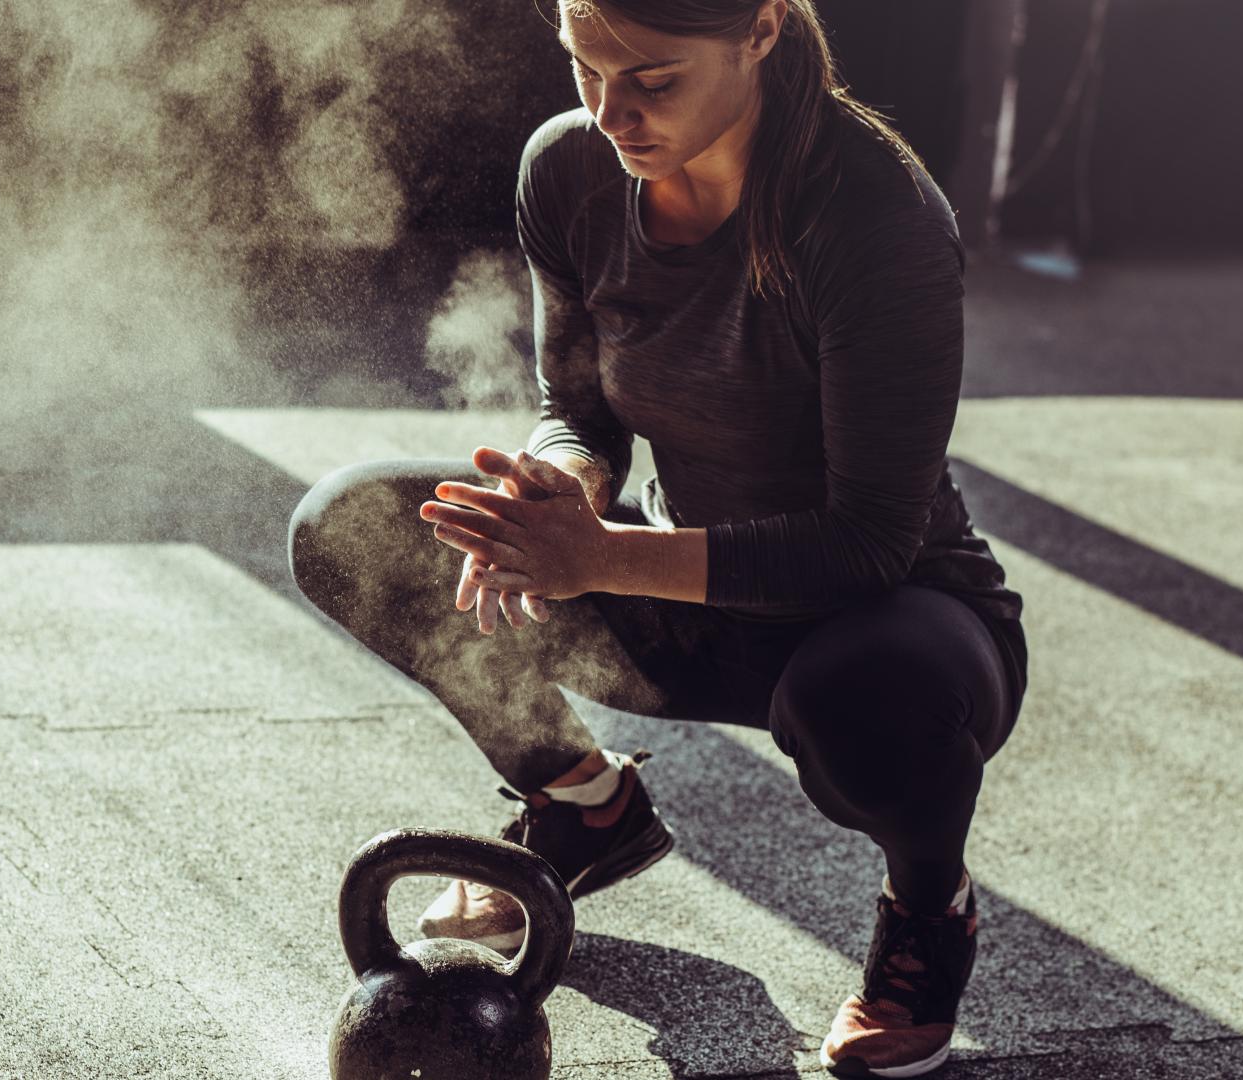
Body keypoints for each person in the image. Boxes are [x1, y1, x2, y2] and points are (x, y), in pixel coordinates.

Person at [288, 1, 1028, 1075]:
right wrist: (563, 492)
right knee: (350, 526)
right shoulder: (570, 170)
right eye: (585, 67)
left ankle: (927, 911)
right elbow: (579, 409)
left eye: (654, 79)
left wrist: (597, 557)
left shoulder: (878, 215)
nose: (610, 110)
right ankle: (583, 807)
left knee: (860, 696)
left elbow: (866, 541)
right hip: (687, 605)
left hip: (890, 624)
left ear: (762, 31)